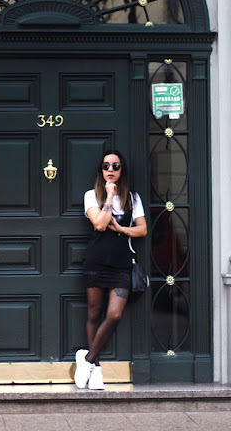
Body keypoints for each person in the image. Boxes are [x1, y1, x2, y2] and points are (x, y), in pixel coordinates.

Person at [74, 150, 147, 390]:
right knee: (94, 314)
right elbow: (99, 224)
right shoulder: (91, 196)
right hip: (96, 262)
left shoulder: (133, 198)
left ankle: (87, 360)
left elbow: (142, 229)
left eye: (116, 166)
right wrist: (109, 197)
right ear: (101, 170)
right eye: (106, 166)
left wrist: (122, 229)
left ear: (122, 169)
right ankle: (96, 370)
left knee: (114, 315)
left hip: (121, 264)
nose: (111, 170)